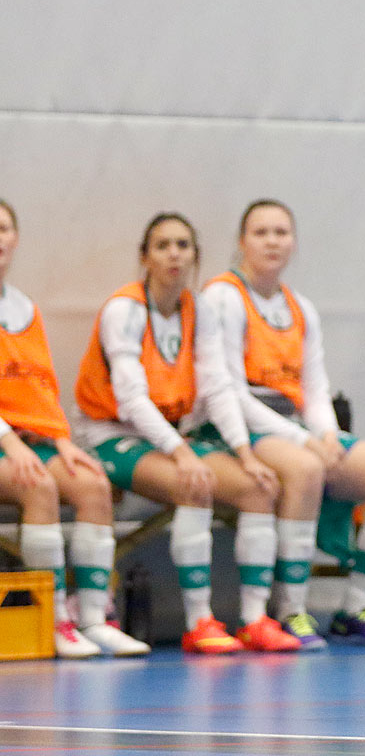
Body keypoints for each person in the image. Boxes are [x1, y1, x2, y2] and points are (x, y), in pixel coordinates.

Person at [201, 199, 365, 646]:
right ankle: (290, 611)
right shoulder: (222, 297)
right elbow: (227, 392)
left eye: (281, 232)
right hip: (240, 430)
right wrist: (303, 442)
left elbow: (315, 387)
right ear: (241, 241)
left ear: (294, 242)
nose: (272, 241)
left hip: (298, 433)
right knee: (305, 469)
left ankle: (355, 607)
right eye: (261, 232)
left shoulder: (300, 307)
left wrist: (324, 434)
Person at [74, 212, 301, 653]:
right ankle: (199, 621)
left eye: (183, 245)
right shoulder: (125, 310)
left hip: (167, 436)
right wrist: (180, 451)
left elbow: (219, 387)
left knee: (258, 488)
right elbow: (133, 400)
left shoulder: (197, 310)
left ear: (196, 256)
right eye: (162, 245)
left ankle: (255, 619)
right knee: (192, 482)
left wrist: (245, 453)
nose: (174, 254)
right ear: (145, 257)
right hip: (108, 433)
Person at [0, 199, 152, 658]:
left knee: (92, 484)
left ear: (16, 238)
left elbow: (41, 388)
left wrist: (63, 442)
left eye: (4, 228)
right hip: (7, 445)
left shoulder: (24, 307)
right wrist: (9, 441)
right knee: (39, 487)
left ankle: (92, 617)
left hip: (30, 442)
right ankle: (54, 622)